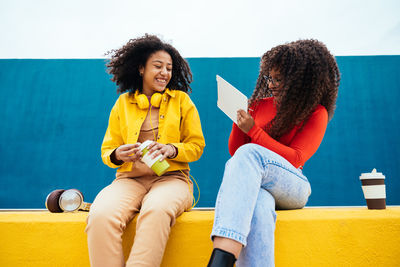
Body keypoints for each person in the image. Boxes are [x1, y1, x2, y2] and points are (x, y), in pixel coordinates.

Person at [207, 39, 340, 267]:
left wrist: (254, 131)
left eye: (279, 79)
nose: (272, 85)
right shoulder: (258, 105)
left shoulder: (316, 112)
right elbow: (236, 153)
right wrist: (239, 122)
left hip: (293, 186)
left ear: (300, 80)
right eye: (269, 78)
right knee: (258, 205)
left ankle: (221, 259)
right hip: (259, 185)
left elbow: (296, 157)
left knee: (251, 153)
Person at [85, 34, 205, 267]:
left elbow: (196, 146)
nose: (164, 73)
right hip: (129, 180)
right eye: (158, 66)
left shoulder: (181, 101)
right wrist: (119, 154)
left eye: (169, 68)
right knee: (100, 215)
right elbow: (108, 150)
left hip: (172, 179)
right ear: (141, 68)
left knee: (157, 210)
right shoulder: (123, 103)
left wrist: (171, 149)